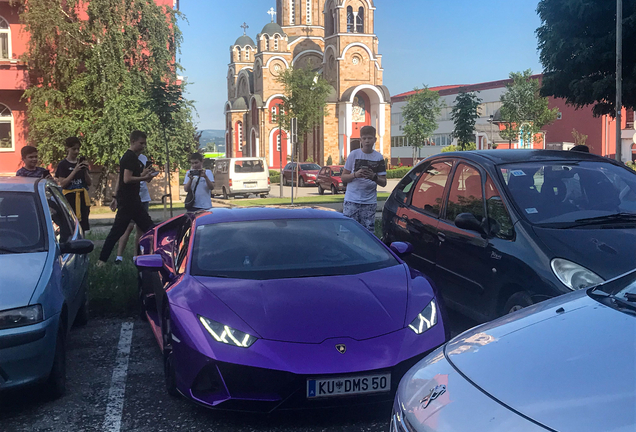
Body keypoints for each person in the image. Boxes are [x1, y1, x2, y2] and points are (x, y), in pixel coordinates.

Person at [97, 131, 155, 265]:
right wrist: (144, 177)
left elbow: (132, 176)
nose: (143, 146)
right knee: (117, 231)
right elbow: (127, 179)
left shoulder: (135, 158)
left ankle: (154, 257)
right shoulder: (129, 157)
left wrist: (144, 173)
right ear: (133, 141)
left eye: (145, 143)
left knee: (150, 229)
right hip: (128, 202)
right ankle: (101, 261)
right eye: (141, 143)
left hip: (134, 201)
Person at [341, 126, 387, 232]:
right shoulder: (354, 154)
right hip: (352, 200)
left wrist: (373, 177)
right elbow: (343, 177)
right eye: (364, 138)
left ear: (375, 140)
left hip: (369, 202)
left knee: (367, 234)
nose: (367, 141)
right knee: (348, 232)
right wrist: (355, 175)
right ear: (360, 140)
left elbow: (384, 182)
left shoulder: (378, 157)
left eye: (370, 138)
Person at [111, 153, 154, 264]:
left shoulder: (144, 158)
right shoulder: (127, 158)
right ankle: (119, 257)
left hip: (143, 198)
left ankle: (136, 256)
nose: (142, 146)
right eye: (140, 143)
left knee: (140, 229)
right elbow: (122, 179)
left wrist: (150, 174)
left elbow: (146, 180)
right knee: (127, 227)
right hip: (130, 198)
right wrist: (115, 197)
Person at [56, 137, 92, 231]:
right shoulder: (63, 164)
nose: (76, 151)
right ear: (68, 148)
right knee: (70, 224)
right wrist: (75, 171)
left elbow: (89, 183)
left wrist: (85, 171)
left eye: (78, 149)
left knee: (83, 225)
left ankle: (83, 241)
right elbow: (63, 184)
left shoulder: (81, 163)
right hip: (70, 198)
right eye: (74, 149)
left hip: (82, 198)